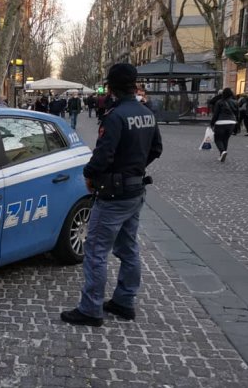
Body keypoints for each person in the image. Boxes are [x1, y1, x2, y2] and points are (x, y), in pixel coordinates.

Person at [60, 63, 163, 327]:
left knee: (95, 250)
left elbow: (102, 156)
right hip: (135, 191)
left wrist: (89, 175)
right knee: (128, 249)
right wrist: (135, 168)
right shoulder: (146, 113)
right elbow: (156, 149)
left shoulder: (115, 116)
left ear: (112, 87)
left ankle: (91, 308)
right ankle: (124, 302)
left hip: (113, 196)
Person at [210, 88, 238, 163]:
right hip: (232, 122)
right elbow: (237, 114)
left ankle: (222, 151)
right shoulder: (235, 102)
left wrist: (212, 123)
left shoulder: (219, 102)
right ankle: (222, 154)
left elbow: (216, 114)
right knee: (225, 139)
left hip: (221, 122)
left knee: (217, 139)